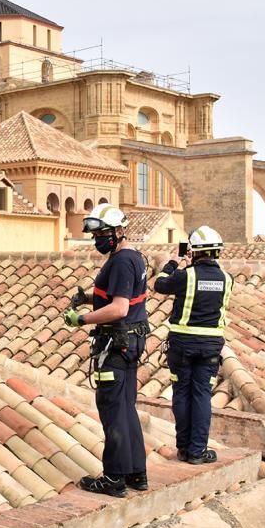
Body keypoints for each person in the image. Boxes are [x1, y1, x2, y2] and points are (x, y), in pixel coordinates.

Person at [62, 204, 150, 498]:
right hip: (129, 342)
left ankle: (114, 478)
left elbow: (119, 307)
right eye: (95, 233)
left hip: (116, 344)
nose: (98, 238)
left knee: (113, 410)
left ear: (119, 231)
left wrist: (81, 319)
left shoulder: (123, 261)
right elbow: (116, 296)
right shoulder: (131, 258)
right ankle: (137, 473)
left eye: (102, 233)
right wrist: (87, 298)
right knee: (126, 408)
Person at [153, 226, 232, 465]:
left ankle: (184, 449)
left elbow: (160, 284)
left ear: (194, 252)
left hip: (182, 344)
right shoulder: (227, 279)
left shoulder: (186, 275)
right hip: (210, 346)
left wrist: (173, 263)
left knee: (181, 393)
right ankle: (197, 452)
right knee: (201, 396)